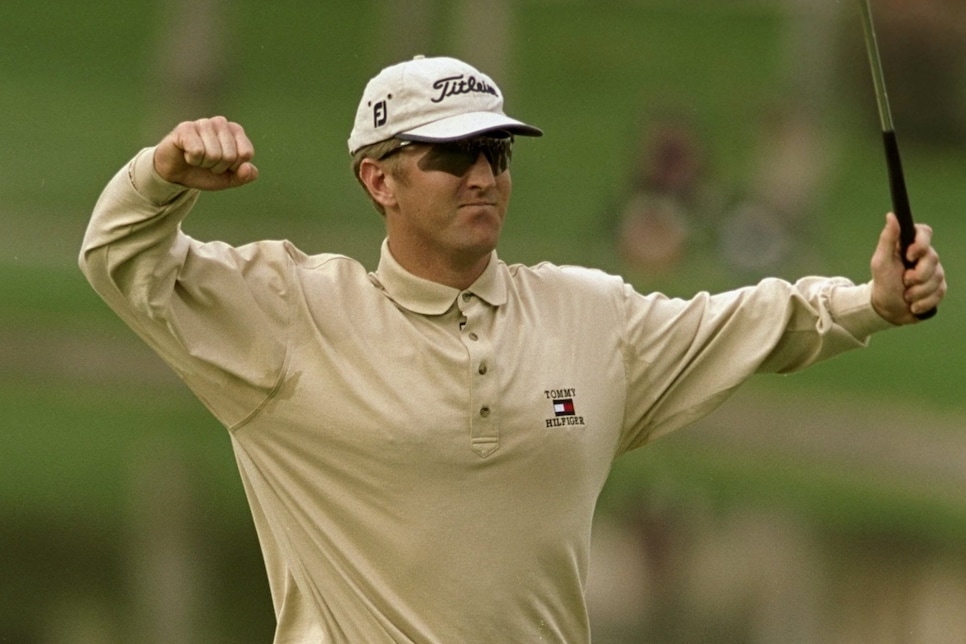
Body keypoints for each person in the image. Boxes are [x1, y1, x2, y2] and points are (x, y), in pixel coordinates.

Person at [79, 55, 946, 642]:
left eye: (496, 151)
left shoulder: (588, 315)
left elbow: (751, 321)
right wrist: (160, 180)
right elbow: (120, 260)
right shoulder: (286, 312)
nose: (485, 174)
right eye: (454, 155)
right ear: (378, 179)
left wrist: (870, 302)